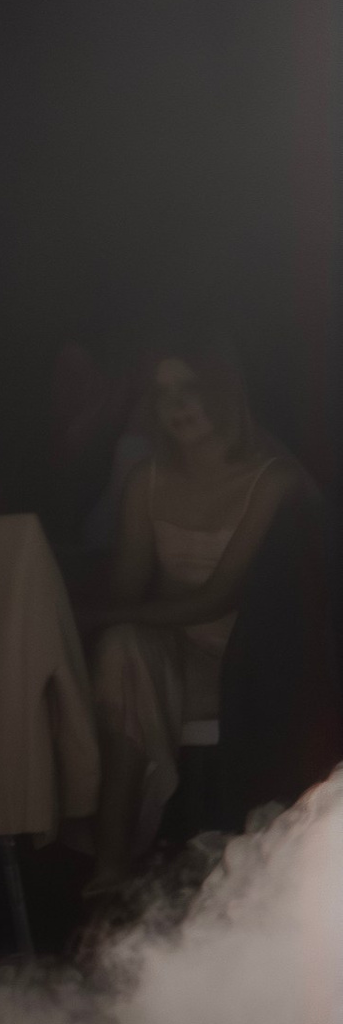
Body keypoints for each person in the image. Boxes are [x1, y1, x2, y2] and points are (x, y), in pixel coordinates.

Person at [84, 346, 311, 889]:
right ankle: (111, 862)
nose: (176, 405)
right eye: (163, 394)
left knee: (123, 651)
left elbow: (218, 598)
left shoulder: (273, 480)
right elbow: (126, 591)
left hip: (245, 657)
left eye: (189, 389)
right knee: (122, 649)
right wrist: (93, 619)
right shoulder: (146, 480)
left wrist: (89, 616)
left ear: (223, 393)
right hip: (167, 646)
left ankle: (115, 857)